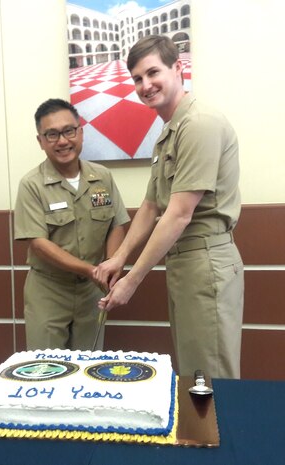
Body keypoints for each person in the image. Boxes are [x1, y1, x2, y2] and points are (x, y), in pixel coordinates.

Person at [94, 35, 244, 379]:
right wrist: (120, 257)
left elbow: (178, 213)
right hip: (185, 263)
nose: (145, 85)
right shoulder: (169, 131)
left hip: (206, 261)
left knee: (210, 377)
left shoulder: (198, 124)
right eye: (137, 78)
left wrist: (132, 280)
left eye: (152, 73)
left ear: (178, 69)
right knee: (194, 369)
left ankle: (217, 436)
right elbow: (150, 205)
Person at [14, 98, 130, 351]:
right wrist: (91, 270)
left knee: (89, 365)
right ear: (41, 141)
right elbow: (38, 243)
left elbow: (116, 225)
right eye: (52, 134)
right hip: (48, 290)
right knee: (46, 368)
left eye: (69, 131)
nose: (63, 141)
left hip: (92, 291)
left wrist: (109, 267)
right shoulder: (31, 184)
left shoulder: (102, 177)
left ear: (80, 133)